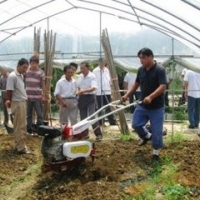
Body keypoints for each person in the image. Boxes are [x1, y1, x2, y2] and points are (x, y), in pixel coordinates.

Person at [122, 48, 167, 162]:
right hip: (143, 104)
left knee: (157, 131)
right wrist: (127, 95)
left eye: (143, 58)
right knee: (136, 124)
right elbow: (135, 85)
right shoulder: (140, 70)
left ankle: (155, 154)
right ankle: (147, 136)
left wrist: (151, 97)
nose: (141, 60)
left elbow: (163, 86)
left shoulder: (160, 70)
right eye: (140, 58)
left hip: (156, 107)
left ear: (151, 57)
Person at [5, 58, 31, 154]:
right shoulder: (13, 76)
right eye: (24, 67)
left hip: (22, 102)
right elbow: (9, 91)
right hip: (18, 103)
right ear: (18, 66)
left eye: (26, 68)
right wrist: (8, 101)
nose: (25, 69)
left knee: (21, 125)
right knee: (20, 126)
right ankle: (21, 147)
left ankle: (20, 145)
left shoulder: (20, 76)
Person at [77, 61, 103, 141]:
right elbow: (78, 86)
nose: (82, 69)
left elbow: (94, 87)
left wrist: (83, 91)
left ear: (87, 67)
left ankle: (98, 134)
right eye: (81, 68)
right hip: (82, 98)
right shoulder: (80, 76)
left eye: (83, 68)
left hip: (90, 97)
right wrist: (79, 91)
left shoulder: (92, 76)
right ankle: (85, 134)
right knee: (83, 117)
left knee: (92, 116)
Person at [25, 55, 45, 134]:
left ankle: (39, 129)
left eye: (35, 63)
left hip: (37, 97)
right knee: (29, 115)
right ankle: (29, 129)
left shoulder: (41, 72)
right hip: (28, 97)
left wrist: (43, 96)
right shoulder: (26, 72)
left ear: (38, 64)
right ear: (30, 63)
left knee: (39, 115)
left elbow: (43, 84)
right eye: (32, 63)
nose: (33, 65)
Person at [93, 58, 116, 126]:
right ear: (99, 63)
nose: (103, 64)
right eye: (101, 63)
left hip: (107, 91)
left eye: (104, 63)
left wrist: (111, 89)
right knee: (100, 107)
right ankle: (101, 122)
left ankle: (112, 121)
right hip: (99, 92)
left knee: (108, 106)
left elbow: (108, 80)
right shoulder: (95, 71)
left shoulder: (106, 70)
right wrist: (95, 92)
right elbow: (94, 82)